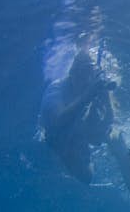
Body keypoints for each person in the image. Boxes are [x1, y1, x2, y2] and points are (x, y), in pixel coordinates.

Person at [38, 16, 118, 183]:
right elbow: (59, 122)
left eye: (89, 75)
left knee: (96, 139)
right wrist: (88, 94)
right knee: (85, 174)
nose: (86, 79)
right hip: (58, 136)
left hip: (80, 131)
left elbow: (109, 120)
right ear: (73, 74)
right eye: (83, 74)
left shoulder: (89, 84)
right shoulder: (56, 90)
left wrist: (105, 98)